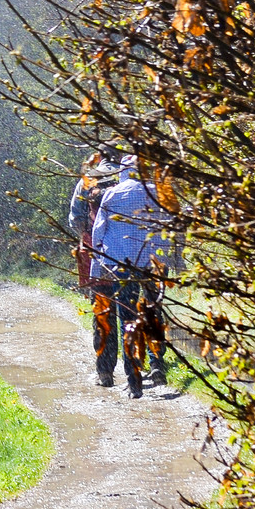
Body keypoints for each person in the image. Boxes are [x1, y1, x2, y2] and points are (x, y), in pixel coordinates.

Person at [90, 155, 175, 398]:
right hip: (151, 265)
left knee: (127, 320)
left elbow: (99, 233)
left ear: (123, 172)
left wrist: (96, 267)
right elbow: (168, 227)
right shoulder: (157, 192)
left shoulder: (112, 195)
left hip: (121, 266)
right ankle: (157, 365)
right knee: (151, 313)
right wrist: (169, 262)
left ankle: (134, 380)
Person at [68, 149, 121, 387]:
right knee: (132, 311)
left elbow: (75, 219)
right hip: (128, 255)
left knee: (103, 313)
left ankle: (105, 371)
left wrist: (89, 238)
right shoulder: (129, 180)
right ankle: (140, 368)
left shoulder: (86, 183)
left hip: (96, 256)